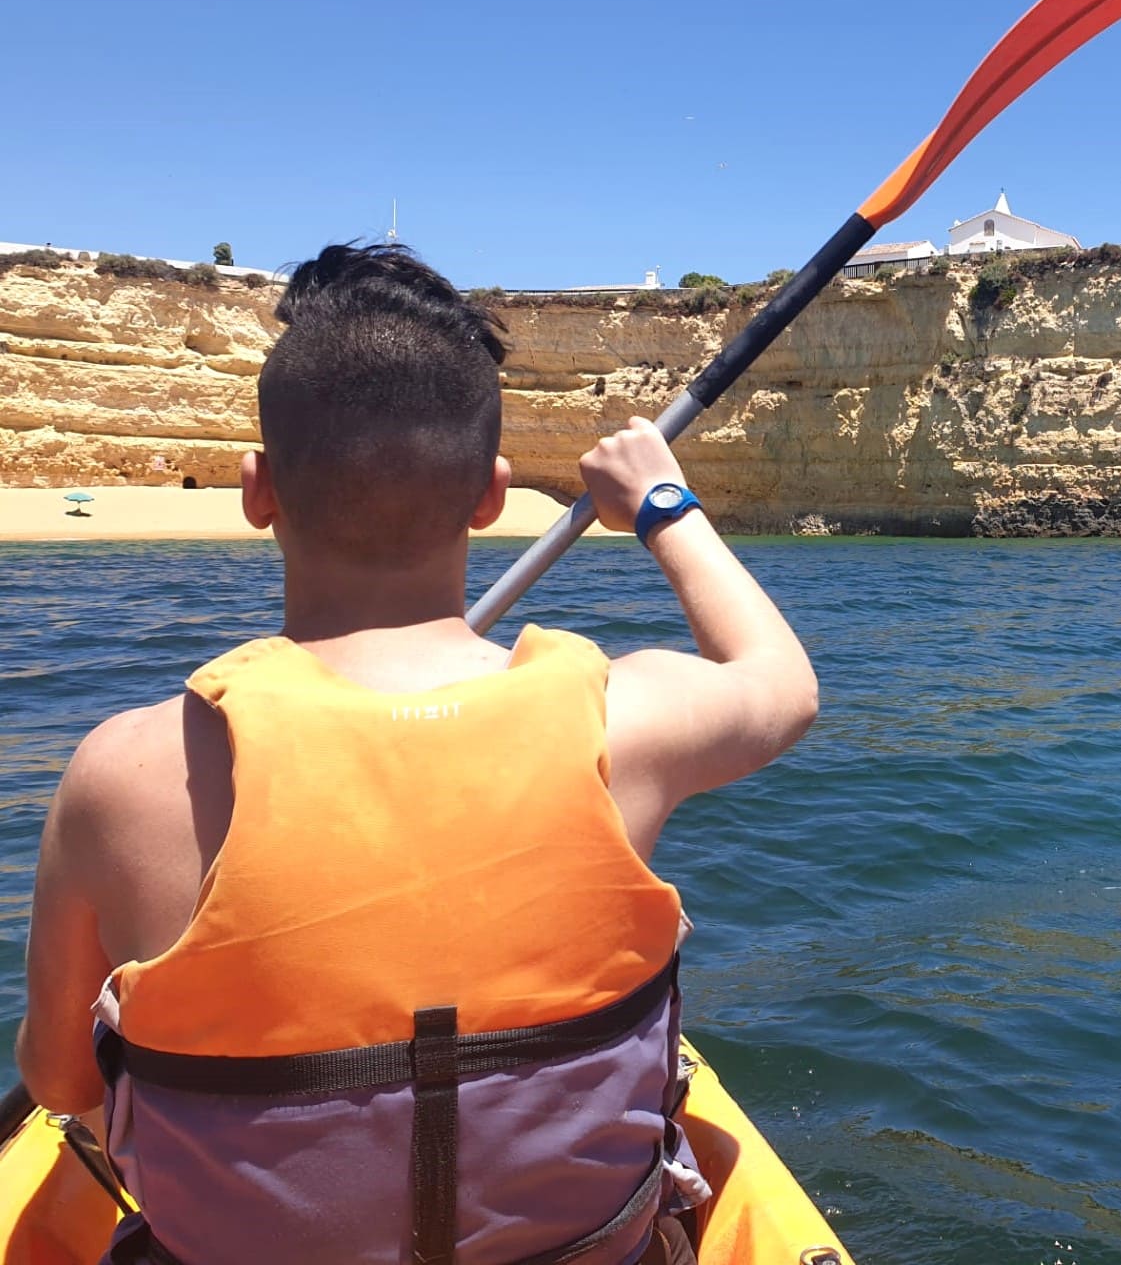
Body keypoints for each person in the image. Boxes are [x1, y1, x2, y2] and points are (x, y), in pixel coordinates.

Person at [17, 243, 818, 1265]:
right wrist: (658, 502)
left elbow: (61, 1086)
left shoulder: (125, 775)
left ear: (258, 491)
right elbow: (783, 686)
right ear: (489, 496)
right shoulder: (622, 721)